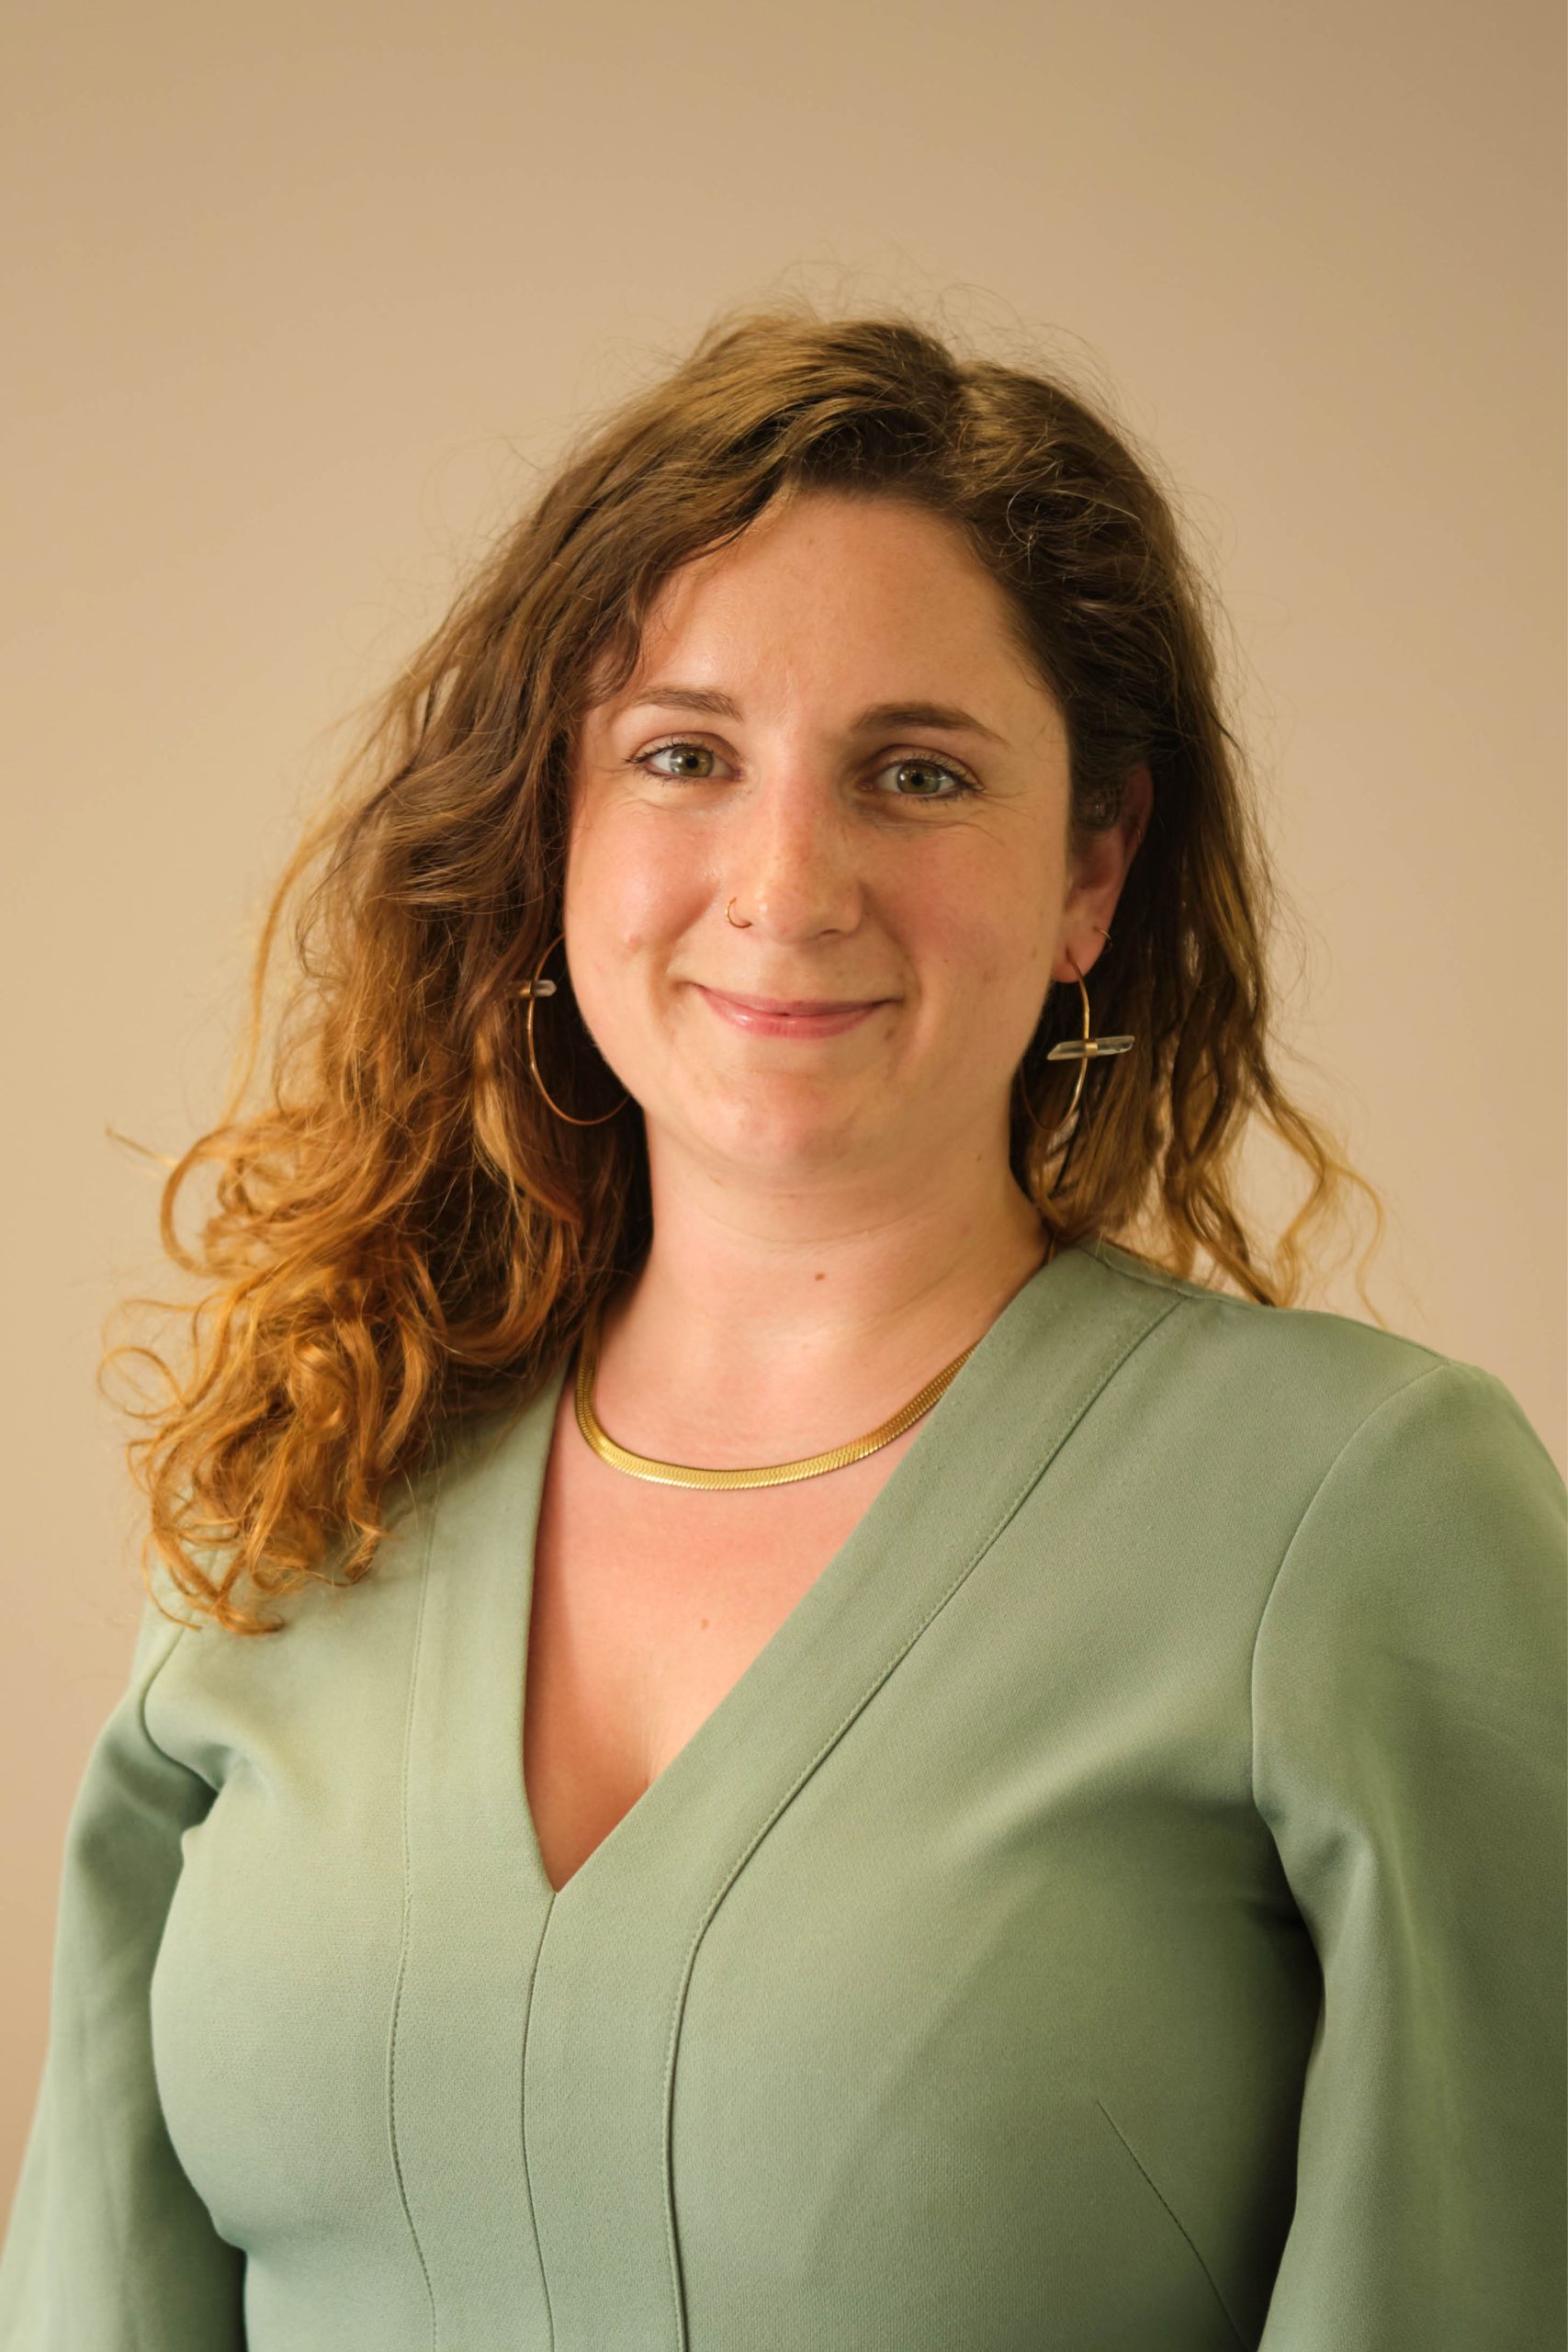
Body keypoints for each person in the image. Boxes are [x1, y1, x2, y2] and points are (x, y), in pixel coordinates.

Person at [1, 301, 1562, 2352]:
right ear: (553, 823)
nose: (784, 876)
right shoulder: (316, 1479)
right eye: (682, 755)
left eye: (913, 773)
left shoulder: (1353, 1513)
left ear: (1091, 866)